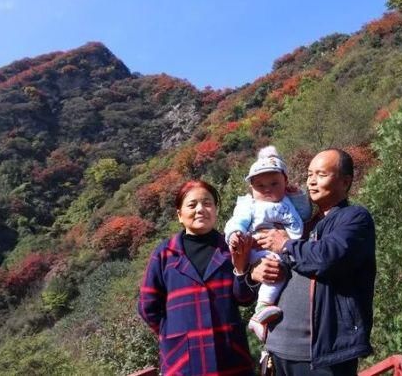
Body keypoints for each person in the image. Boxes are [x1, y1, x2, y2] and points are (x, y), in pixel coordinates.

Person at [253, 148, 376, 376]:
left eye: (321, 174)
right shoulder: (303, 224)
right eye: (309, 174)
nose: (312, 181)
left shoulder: (354, 218)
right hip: (278, 349)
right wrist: (255, 273)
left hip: (322, 356)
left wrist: (286, 245)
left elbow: (326, 258)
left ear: (345, 181)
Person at [138, 180, 256, 376]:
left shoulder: (231, 248)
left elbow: (245, 298)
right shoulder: (165, 254)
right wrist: (173, 333)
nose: (201, 209)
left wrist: (242, 268)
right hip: (183, 361)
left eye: (207, 203)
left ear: (216, 210)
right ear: (179, 215)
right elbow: (147, 306)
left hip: (229, 355)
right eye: (192, 205)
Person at [224, 146, 311, 341]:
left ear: (285, 182)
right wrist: (235, 234)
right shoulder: (250, 205)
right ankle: (262, 309)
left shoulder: (288, 201)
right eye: (260, 186)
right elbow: (237, 221)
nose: (268, 189)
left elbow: (304, 215)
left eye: (274, 183)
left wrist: (297, 195)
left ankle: (264, 309)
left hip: (286, 249)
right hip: (261, 250)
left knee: (281, 270)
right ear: (251, 188)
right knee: (274, 271)